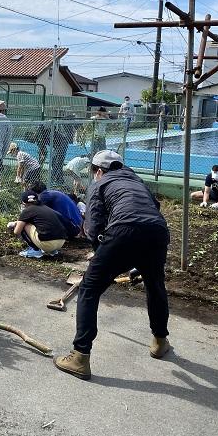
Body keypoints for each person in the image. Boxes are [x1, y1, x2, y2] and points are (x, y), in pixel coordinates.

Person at [54, 150, 171, 380]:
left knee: (89, 288)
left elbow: (93, 226)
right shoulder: (136, 180)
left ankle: (80, 356)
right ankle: (160, 341)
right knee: (155, 284)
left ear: (98, 171)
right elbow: (152, 208)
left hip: (124, 231)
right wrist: (137, 258)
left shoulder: (101, 183)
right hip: (157, 231)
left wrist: (100, 254)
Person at [7, 190, 67, 259]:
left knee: (24, 225)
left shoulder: (27, 211)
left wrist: (14, 225)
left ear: (24, 202)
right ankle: (53, 252)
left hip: (47, 244)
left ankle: (35, 250)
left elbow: (17, 231)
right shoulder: (45, 208)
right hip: (61, 242)